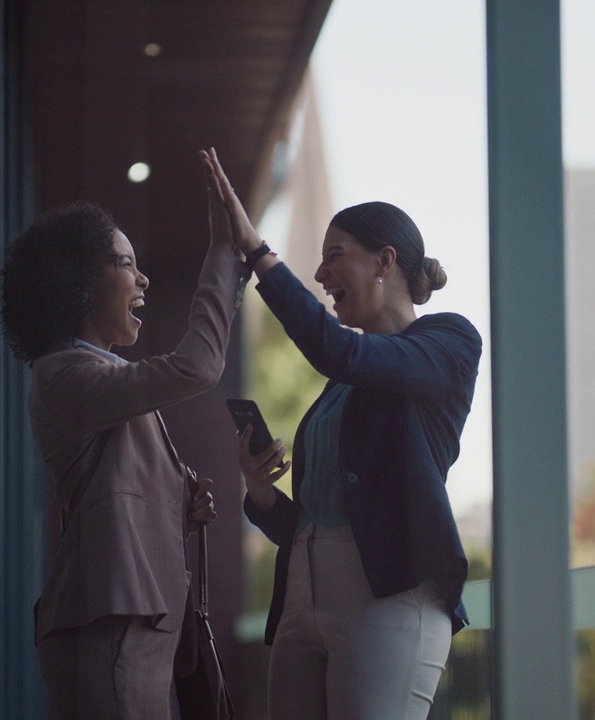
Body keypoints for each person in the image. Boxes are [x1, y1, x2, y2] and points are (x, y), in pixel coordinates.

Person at [204, 149, 482, 719]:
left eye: (336, 256)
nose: (322, 274)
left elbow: (338, 349)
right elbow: (316, 522)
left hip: (388, 599)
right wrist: (261, 495)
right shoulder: (344, 384)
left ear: (386, 261)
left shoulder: (448, 343)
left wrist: (259, 253)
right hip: (304, 595)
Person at [0, 151, 245, 718]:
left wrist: (177, 507)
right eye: (126, 263)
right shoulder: (64, 373)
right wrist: (223, 251)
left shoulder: (98, 375)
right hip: (112, 619)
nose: (143, 278)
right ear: (82, 283)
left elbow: (112, 492)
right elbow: (198, 368)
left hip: (135, 616)